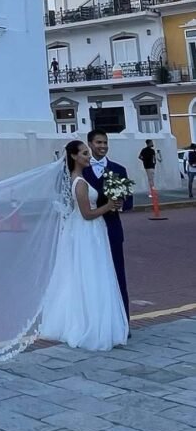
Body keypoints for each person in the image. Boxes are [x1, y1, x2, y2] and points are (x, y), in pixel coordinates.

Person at [40, 141, 129, 350]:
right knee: (92, 275)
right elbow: (87, 214)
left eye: (88, 153)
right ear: (73, 156)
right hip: (88, 232)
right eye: (84, 153)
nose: (89, 156)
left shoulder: (79, 179)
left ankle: (93, 321)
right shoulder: (79, 182)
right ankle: (90, 326)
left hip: (91, 232)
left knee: (90, 275)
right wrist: (108, 205)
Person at [83, 130, 133, 318]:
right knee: (92, 276)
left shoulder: (118, 169)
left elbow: (129, 201)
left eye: (105, 142)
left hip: (111, 229)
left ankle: (123, 321)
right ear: (90, 143)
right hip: (88, 231)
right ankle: (97, 320)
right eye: (98, 142)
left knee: (117, 275)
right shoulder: (81, 170)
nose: (102, 146)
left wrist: (121, 204)